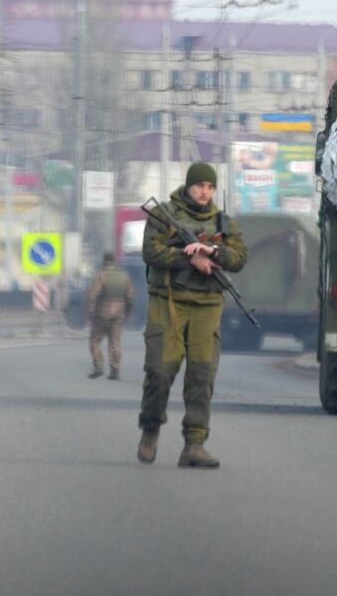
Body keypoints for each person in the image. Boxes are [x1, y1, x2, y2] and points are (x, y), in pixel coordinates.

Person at [137, 161, 247, 469]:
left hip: (207, 305)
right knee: (160, 370)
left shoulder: (224, 221)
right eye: (200, 185)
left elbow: (239, 257)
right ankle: (150, 430)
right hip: (168, 302)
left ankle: (194, 445)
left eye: (210, 187)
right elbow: (150, 252)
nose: (204, 191)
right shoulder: (163, 215)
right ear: (188, 186)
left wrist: (213, 253)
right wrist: (189, 260)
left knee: (202, 375)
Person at [86, 251, 131, 380]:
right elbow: (130, 297)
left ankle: (98, 366)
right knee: (115, 342)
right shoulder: (124, 276)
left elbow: (92, 295)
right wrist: (128, 312)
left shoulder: (101, 275)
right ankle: (115, 370)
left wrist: (89, 312)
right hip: (118, 314)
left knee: (95, 340)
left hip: (101, 314)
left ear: (104, 261)